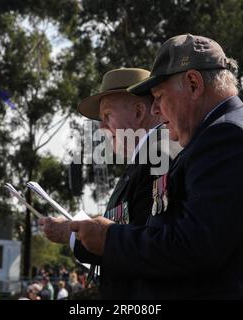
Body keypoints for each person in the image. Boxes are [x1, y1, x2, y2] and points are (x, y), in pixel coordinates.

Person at [70, 34, 243, 299]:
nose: (155, 109)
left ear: (193, 84)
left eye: (158, 96)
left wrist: (109, 238)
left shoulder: (229, 138)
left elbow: (192, 247)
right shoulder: (224, 133)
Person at [40, 68, 181, 299]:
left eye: (107, 116)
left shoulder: (160, 155)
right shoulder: (147, 157)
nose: (102, 128)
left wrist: (71, 233)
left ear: (138, 112)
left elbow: (144, 244)